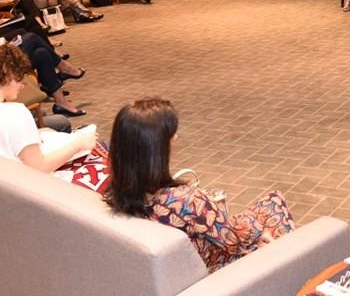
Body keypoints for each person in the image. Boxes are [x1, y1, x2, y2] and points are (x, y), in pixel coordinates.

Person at [104, 98, 294, 271]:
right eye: (170, 135)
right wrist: (260, 232)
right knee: (275, 202)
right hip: (222, 267)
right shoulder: (183, 201)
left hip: (195, 258)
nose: (175, 138)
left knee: (264, 210)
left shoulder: (118, 195)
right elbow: (233, 239)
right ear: (155, 149)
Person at [0, 44, 97, 173]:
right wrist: (79, 143)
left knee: (47, 133)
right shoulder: (15, 112)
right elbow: (39, 167)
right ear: (8, 75)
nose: (23, 84)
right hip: (18, 183)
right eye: (20, 77)